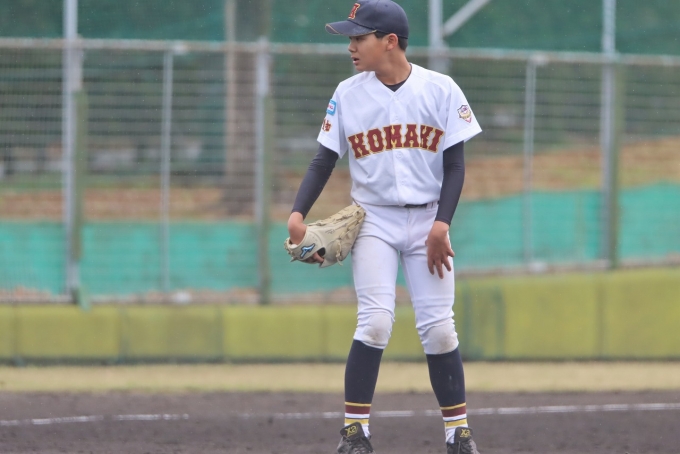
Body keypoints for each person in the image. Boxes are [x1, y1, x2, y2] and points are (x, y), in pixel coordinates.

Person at [287, 1, 483, 452]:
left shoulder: (441, 89)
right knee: (375, 321)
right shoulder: (348, 93)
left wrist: (441, 225)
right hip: (373, 219)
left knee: (439, 328)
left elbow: (455, 166)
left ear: (389, 41)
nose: (351, 46)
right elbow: (323, 160)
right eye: (351, 38)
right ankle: (355, 432)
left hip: (429, 219)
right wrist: (298, 213)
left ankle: (458, 434)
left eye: (360, 37)